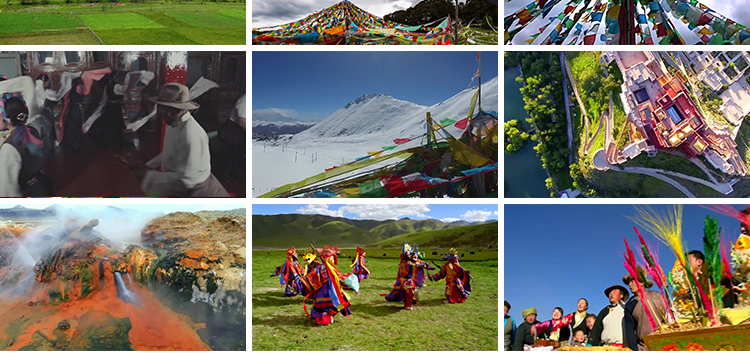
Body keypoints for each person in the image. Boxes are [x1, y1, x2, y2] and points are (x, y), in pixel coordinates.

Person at [140, 83, 230, 197]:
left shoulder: (190, 134)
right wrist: (150, 165)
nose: (160, 112)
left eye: (163, 108)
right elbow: (171, 151)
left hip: (199, 192)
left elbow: (188, 179)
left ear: (175, 110)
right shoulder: (172, 123)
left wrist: (148, 177)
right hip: (185, 188)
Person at [0, 93, 54, 197]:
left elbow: (6, 191)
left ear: (4, 118)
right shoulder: (31, 130)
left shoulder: (9, 148)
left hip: (27, 196)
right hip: (42, 187)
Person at [299, 244, 358, 325]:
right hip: (327, 292)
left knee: (326, 305)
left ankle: (327, 316)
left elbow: (310, 277)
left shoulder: (322, 268)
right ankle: (326, 317)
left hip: (324, 293)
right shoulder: (325, 268)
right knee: (332, 304)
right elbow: (340, 278)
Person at [623, 266, 667, 351]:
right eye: (628, 282)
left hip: (663, 343)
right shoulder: (630, 305)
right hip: (643, 347)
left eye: (632, 280)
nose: (630, 284)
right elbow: (630, 331)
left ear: (641, 282)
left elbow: (668, 317)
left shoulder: (657, 296)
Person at [381, 242, 434, 310]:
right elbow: (412, 266)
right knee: (409, 291)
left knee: (414, 291)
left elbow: (417, 265)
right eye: (409, 254)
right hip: (405, 279)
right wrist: (421, 265)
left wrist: (426, 266)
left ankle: (412, 302)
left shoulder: (409, 262)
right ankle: (407, 305)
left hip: (409, 279)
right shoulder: (404, 263)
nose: (410, 256)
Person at [210, 93, 245, 182]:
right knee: (227, 161)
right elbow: (242, 121)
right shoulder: (246, 99)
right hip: (232, 132)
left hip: (238, 133)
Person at [60, 78, 87, 152]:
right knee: (77, 125)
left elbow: (64, 97)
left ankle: (70, 142)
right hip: (77, 108)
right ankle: (76, 144)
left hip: (72, 108)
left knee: (71, 125)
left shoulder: (70, 88)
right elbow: (84, 93)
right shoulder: (79, 87)